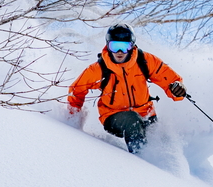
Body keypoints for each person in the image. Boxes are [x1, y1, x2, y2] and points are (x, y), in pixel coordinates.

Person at [67, 24, 187, 153]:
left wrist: (177, 89)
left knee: (162, 137)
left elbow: (170, 79)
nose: (119, 52)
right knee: (132, 120)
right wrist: (73, 118)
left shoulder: (145, 61)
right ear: (108, 45)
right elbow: (76, 90)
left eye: (124, 47)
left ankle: (169, 168)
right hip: (113, 116)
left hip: (146, 113)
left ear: (132, 46)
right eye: (115, 46)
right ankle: (140, 161)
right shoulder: (99, 69)